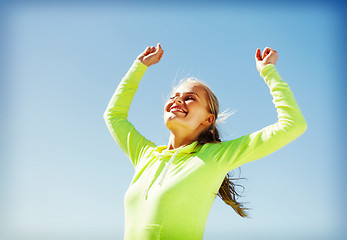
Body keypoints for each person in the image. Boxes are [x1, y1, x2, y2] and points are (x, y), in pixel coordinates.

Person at [103, 43, 307, 240]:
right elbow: (114, 116)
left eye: (190, 98)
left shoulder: (216, 156)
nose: (177, 100)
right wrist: (139, 67)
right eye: (173, 96)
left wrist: (268, 71)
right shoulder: (146, 155)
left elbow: (293, 124)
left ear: (208, 119)